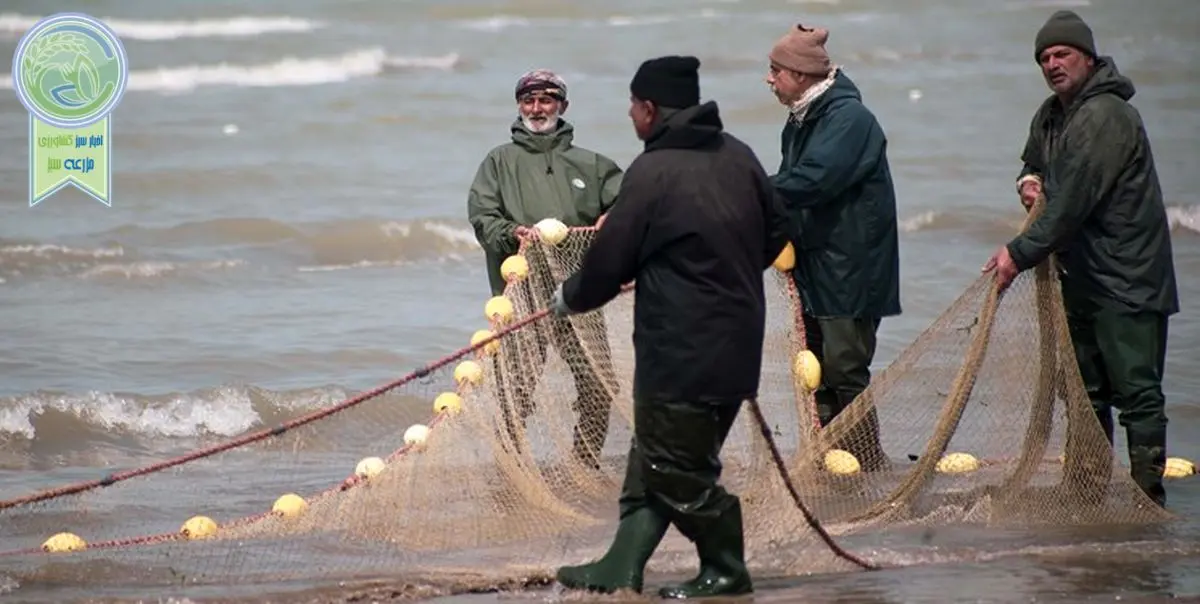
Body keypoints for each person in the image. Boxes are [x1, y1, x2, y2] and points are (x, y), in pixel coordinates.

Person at [548, 55, 791, 599]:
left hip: (679, 351)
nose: (631, 115)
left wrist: (571, 296)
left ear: (651, 109)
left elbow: (610, 263)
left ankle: (727, 570)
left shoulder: (652, 172)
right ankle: (620, 565)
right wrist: (721, 271)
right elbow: (779, 231)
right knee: (657, 457)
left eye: (633, 106)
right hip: (737, 343)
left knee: (675, 467)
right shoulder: (740, 157)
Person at [982, 10, 1179, 507]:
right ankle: (1087, 495)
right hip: (1080, 276)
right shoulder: (1052, 114)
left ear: (1088, 58)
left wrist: (1018, 253)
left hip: (1128, 279)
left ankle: (1147, 499)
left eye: (1062, 54)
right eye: (1044, 57)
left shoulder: (1107, 116)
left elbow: (1070, 203)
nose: (1052, 64)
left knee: (1136, 392)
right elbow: (1034, 163)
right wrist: (1027, 181)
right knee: (1085, 394)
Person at [466, 69, 623, 469]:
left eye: (546, 100)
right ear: (519, 105)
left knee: (598, 383)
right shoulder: (498, 161)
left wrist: (615, 218)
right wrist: (509, 232)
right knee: (515, 388)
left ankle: (584, 464)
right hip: (521, 292)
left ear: (562, 106)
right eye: (528, 100)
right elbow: (483, 216)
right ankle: (511, 470)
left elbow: (630, 201)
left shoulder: (592, 164)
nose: (537, 108)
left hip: (579, 291)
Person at [764, 24, 901, 471]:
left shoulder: (849, 119)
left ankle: (867, 463)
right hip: (815, 265)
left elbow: (814, 181)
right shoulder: (803, 117)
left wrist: (747, 189)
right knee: (814, 371)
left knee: (844, 371)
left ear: (801, 75)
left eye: (775, 71)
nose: (769, 80)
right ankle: (830, 464)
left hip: (851, 269)